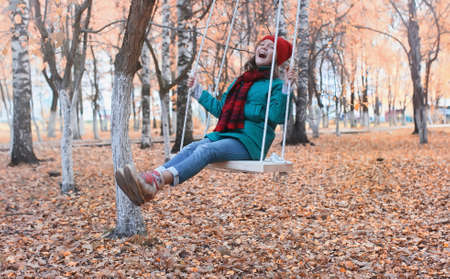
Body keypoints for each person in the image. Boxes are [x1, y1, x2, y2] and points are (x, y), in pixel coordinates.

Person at [115, 35, 297, 206]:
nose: (264, 47)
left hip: (249, 144)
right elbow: (221, 110)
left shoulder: (278, 86)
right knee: (191, 147)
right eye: (262, 44)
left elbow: (276, 117)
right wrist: (198, 91)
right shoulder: (240, 82)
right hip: (227, 135)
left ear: (277, 58)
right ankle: (151, 179)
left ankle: (157, 181)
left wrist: (287, 90)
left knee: (206, 149)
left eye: (271, 47)